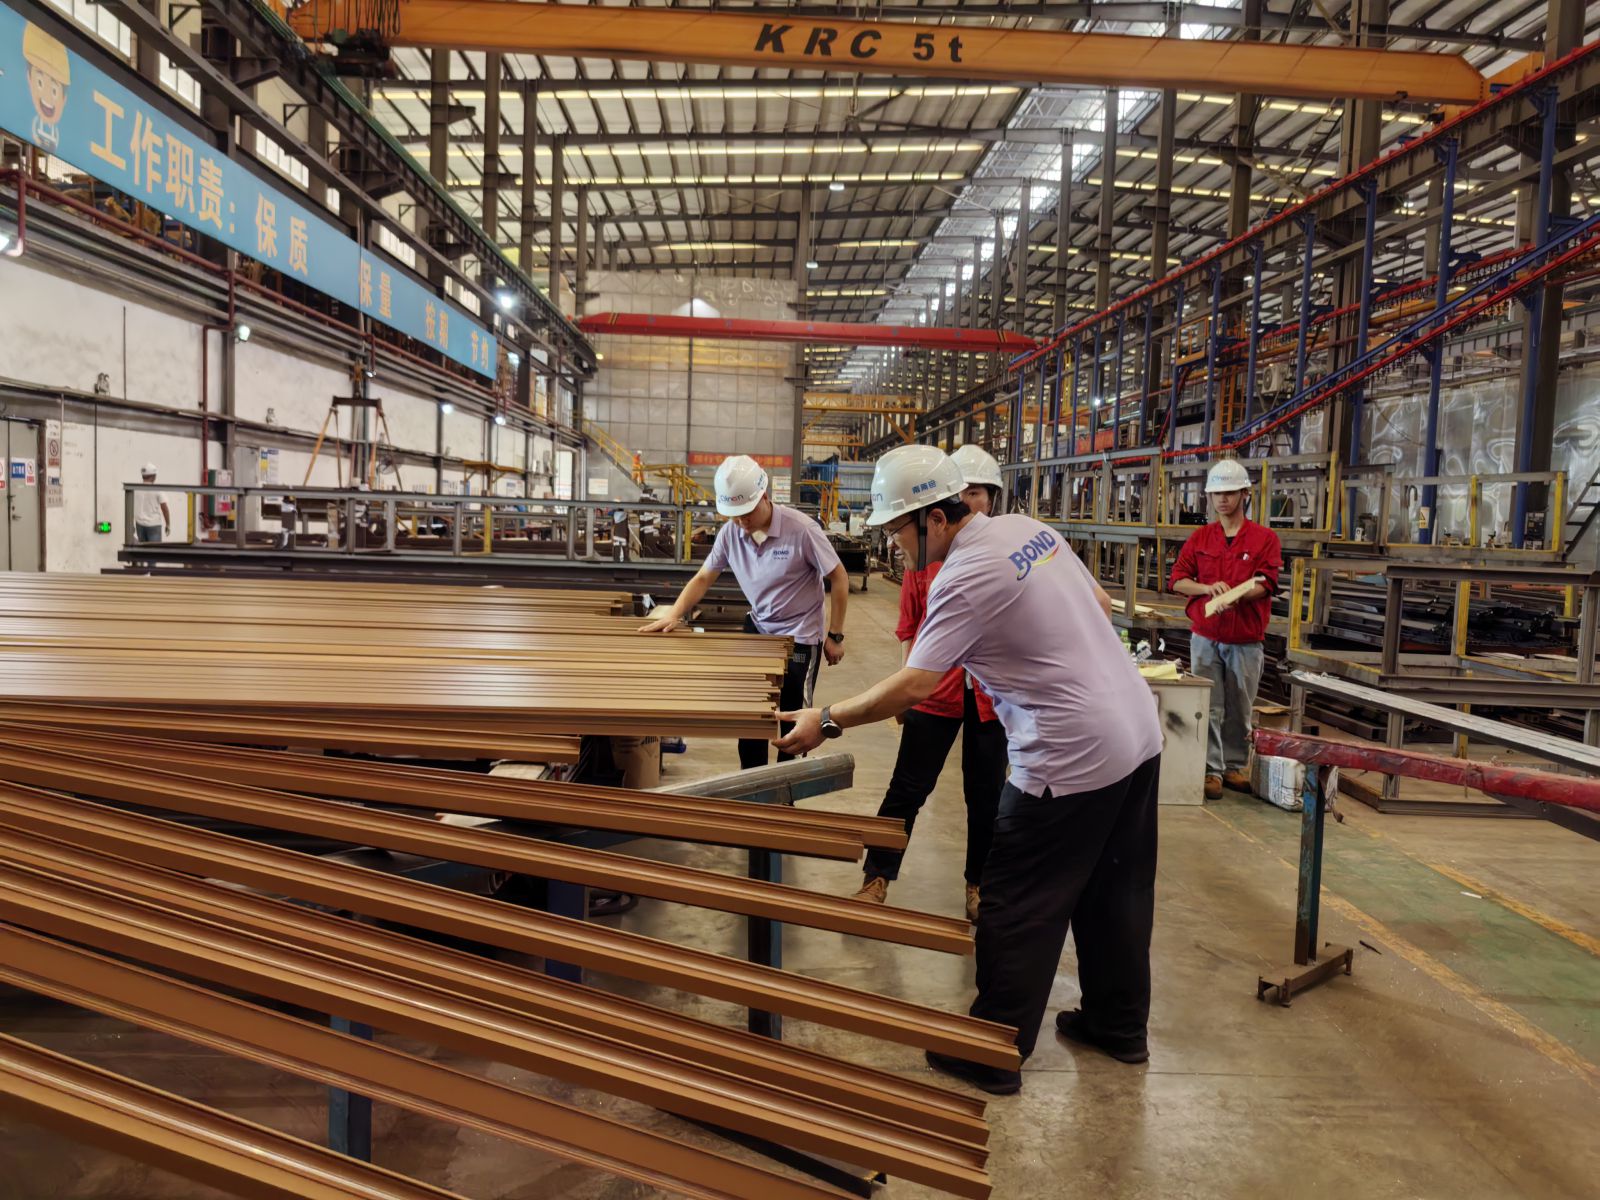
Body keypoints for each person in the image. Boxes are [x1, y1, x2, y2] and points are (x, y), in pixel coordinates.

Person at [777, 444, 1162, 1094]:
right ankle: (1117, 1024)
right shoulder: (1027, 530)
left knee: (1015, 900)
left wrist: (828, 719)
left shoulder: (964, 575)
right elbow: (1099, 607)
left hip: (1068, 753)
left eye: (897, 529)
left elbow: (915, 684)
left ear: (934, 518)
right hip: (1136, 731)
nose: (893, 544)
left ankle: (991, 1052)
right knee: (1114, 890)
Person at [851, 443, 1008, 924]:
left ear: (991, 499)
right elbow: (910, 624)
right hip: (934, 690)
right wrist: (903, 687)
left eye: (977, 492)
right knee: (907, 787)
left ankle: (979, 884)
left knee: (985, 796)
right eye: (964, 491)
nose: (970, 499)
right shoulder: (926, 555)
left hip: (990, 699)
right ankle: (876, 876)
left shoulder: (998, 555)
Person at [641, 454, 848, 769]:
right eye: (734, 516)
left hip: (800, 636)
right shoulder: (731, 533)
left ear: (764, 496)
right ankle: (752, 780)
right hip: (759, 629)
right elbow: (704, 577)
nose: (742, 523)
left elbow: (839, 577)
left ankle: (787, 783)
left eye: (747, 514)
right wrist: (673, 614)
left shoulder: (802, 530)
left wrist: (835, 635)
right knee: (751, 714)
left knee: (794, 720)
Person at [1168, 458, 1282, 800]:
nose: (1223, 499)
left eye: (1230, 492)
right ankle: (1211, 770)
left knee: (1240, 707)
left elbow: (1267, 582)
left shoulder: (1264, 539)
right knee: (1210, 706)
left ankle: (1233, 766)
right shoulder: (1201, 538)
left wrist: (1239, 596)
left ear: (1245, 493)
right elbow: (1178, 581)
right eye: (1217, 493)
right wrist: (1207, 589)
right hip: (1206, 636)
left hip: (1245, 638)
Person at [133, 463, 169, 544]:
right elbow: (164, 508)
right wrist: (168, 524)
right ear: (153, 476)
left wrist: (130, 524)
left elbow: (130, 507)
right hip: (154, 525)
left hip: (139, 524)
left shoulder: (135, 489)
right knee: (154, 550)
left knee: (142, 550)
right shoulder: (158, 490)